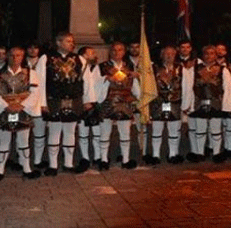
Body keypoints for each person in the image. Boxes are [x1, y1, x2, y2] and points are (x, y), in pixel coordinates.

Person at [0, 47, 42, 181]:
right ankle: (0, 170)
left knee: (24, 141)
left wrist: (22, 105)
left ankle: (27, 169)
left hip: (23, 110)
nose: (15, 58)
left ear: (22, 57)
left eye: (18, 55)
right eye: (12, 55)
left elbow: (35, 93)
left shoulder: (31, 73)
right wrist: (7, 106)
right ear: (7, 57)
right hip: (4, 111)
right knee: (4, 141)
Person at [43, 32, 96, 176]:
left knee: (70, 132)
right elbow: (41, 82)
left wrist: (88, 100)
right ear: (58, 42)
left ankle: (68, 163)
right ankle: (53, 165)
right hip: (54, 100)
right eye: (68, 41)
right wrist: (42, 103)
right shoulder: (46, 58)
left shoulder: (79, 59)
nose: (71, 44)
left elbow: (87, 81)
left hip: (74, 100)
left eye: (72, 41)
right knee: (54, 132)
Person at [182, 45, 231, 163]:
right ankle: (200, 153)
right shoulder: (194, 69)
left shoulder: (223, 70)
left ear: (216, 55)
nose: (209, 56)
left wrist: (227, 106)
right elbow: (189, 88)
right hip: (198, 103)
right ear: (202, 55)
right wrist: (187, 104)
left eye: (212, 53)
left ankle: (216, 153)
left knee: (216, 130)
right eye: (206, 53)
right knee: (200, 130)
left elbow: (228, 89)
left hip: (216, 103)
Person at [97, 42, 139, 170]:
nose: (117, 53)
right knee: (105, 132)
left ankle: (125, 159)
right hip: (107, 101)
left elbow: (134, 84)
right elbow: (95, 82)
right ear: (110, 52)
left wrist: (138, 97)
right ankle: (104, 160)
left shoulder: (129, 66)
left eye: (120, 50)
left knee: (125, 132)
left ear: (124, 52)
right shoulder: (103, 66)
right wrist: (106, 79)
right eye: (114, 50)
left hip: (125, 101)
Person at [148, 45, 185, 164]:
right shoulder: (154, 68)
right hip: (158, 102)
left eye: (172, 54)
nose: (169, 56)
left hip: (175, 102)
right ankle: (155, 155)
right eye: (166, 54)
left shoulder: (181, 68)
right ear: (162, 55)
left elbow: (186, 86)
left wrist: (186, 103)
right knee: (156, 130)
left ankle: (173, 154)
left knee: (174, 130)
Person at [76, 46, 102, 172]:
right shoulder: (79, 67)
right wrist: (85, 100)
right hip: (83, 103)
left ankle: (98, 157)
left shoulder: (98, 68)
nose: (94, 54)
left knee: (97, 132)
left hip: (97, 102)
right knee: (83, 133)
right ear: (84, 55)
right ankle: (85, 158)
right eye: (91, 52)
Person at [25, 41, 49, 169]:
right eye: (30, 47)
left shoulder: (45, 62)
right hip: (23, 102)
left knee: (39, 133)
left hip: (39, 101)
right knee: (23, 133)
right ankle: (22, 160)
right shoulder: (21, 62)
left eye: (36, 48)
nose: (33, 50)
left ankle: (38, 160)